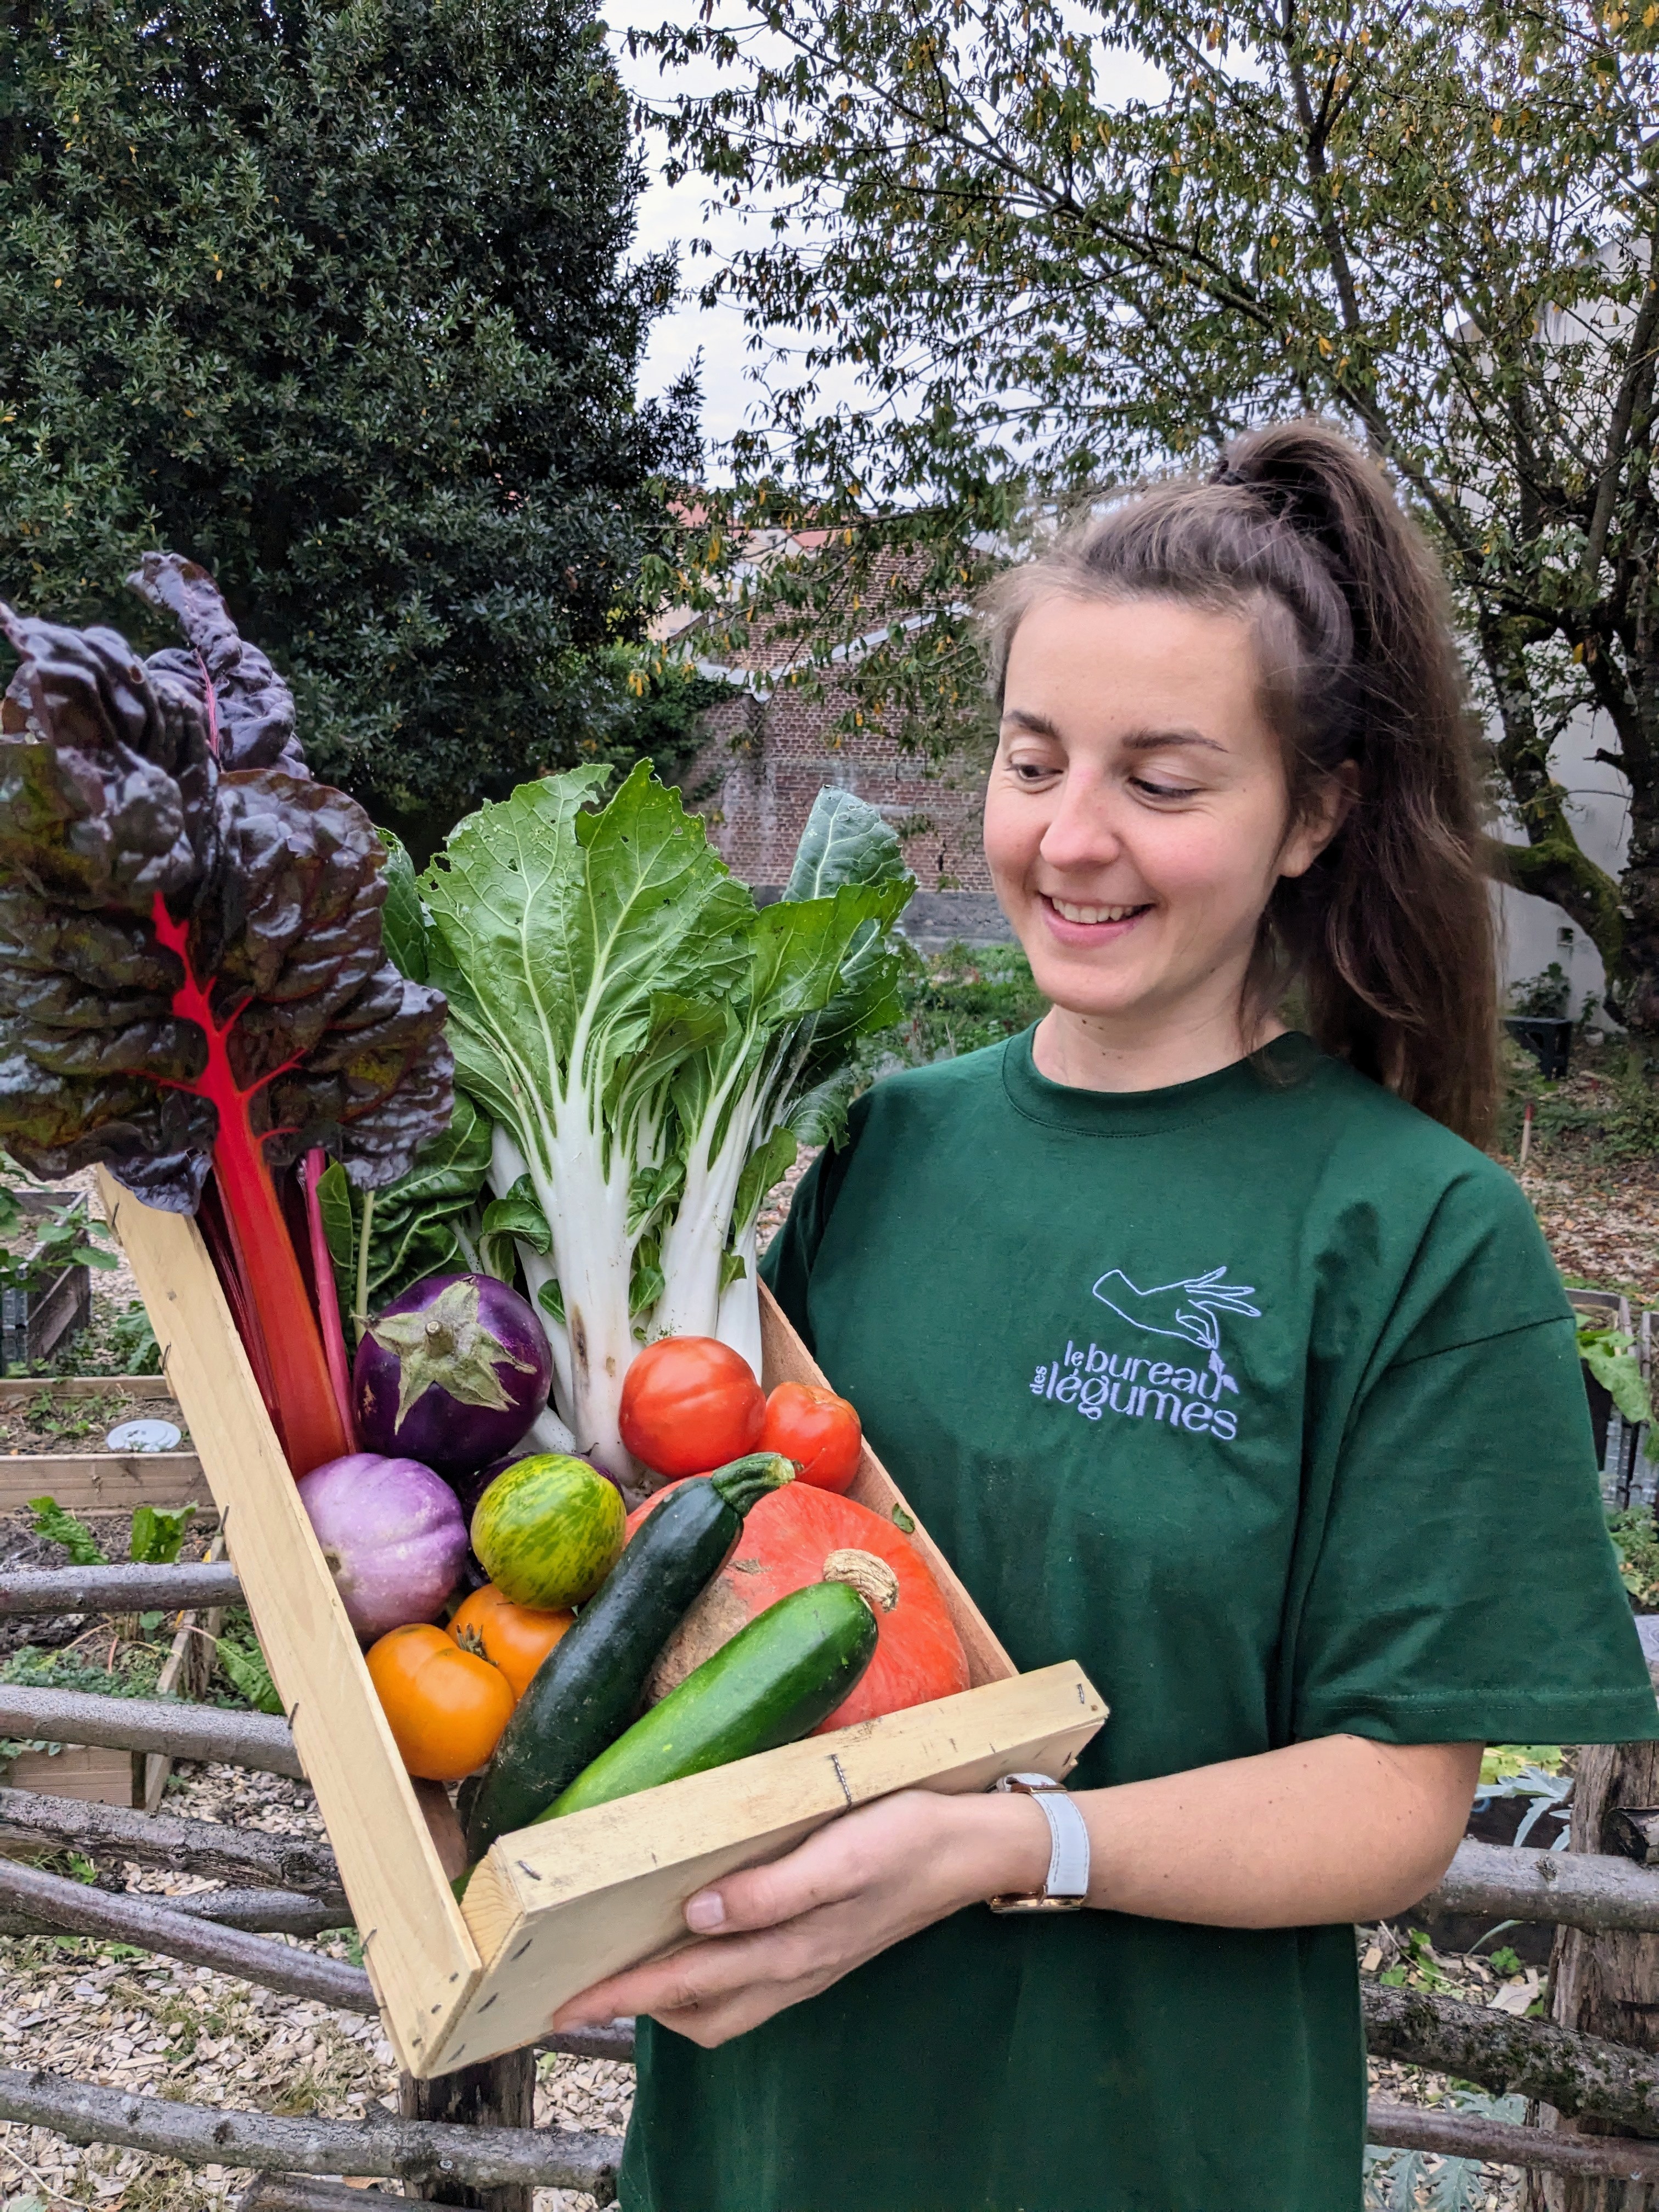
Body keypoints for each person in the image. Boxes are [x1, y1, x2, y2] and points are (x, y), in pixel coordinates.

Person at [553, 421, 1658, 2211]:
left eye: (1163, 779)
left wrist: (1004, 1847)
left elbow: (1400, 1805)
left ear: (1315, 812)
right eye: (1032, 760)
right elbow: (718, 1563)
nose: (1072, 839)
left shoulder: (1416, 1234)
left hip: (1148, 2151)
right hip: (766, 2142)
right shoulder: (882, 1151)